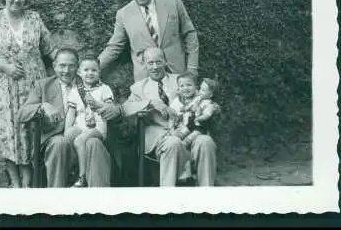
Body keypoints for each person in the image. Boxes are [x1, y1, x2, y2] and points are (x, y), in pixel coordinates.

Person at [0, 0, 58, 188]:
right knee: (7, 131)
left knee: (30, 131)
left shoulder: (34, 19)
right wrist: (5, 67)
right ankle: (14, 181)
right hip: (3, 88)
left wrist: (67, 63)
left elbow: (50, 49)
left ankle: (28, 181)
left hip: (33, 85)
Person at [122, 47, 217, 187]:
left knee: (206, 141)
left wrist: (211, 107)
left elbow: (200, 99)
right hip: (159, 137)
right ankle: (168, 198)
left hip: (188, 131)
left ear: (166, 62)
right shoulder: (138, 88)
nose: (155, 67)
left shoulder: (181, 80)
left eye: (159, 62)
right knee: (173, 143)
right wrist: (151, 102)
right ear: (144, 65)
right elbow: (126, 108)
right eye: (150, 63)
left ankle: (206, 194)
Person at [18, 48, 112, 187]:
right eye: (62, 66)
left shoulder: (88, 81)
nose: (66, 71)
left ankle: (98, 201)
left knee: (94, 143)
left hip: (86, 134)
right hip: (55, 138)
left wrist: (110, 109)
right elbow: (22, 113)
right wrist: (42, 106)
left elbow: (111, 106)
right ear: (54, 66)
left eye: (71, 66)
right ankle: (58, 200)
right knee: (60, 143)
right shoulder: (44, 85)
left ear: (78, 67)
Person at [98, 0, 199, 82]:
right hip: (145, 78)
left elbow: (190, 33)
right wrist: (94, 67)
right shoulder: (123, 14)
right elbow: (114, 46)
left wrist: (192, 68)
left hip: (177, 74)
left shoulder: (173, 1)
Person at [64, 55, 115, 187]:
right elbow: (71, 113)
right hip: (81, 125)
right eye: (86, 70)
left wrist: (97, 104)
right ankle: (73, 170)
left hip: (97, 126)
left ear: (99, 72)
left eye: (94, 70)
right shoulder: (76, 91)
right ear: (79, 72)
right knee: (68, 136)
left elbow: (110, 108)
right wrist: (67, 129)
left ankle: (82, 176)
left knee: (79, 140)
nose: (90, 73)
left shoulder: (104, 89)